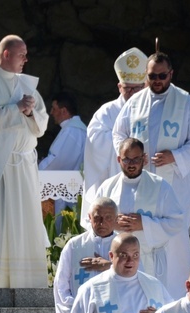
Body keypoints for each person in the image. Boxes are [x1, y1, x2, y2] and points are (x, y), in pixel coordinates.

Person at [113, 51, 190, 288]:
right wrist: (130, 158)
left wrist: (174, 156)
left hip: (173, 183)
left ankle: (173, 293)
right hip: (139, 183)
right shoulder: (135, 102)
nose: (156, 81)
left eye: (162, 76)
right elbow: (119, 133)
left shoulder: (185, 102)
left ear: (171, 74)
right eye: (152, 76)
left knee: (172, 238)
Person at [0, 34, 49, 289]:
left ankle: (29, 281)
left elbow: (42, 125)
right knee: (0, 222)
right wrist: (15, 108)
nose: (26, 59)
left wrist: (30, 112)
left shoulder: (26, 85)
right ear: (5, 54)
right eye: (21, 54)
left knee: (26, 223)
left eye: (26, 54)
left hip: (23, 165)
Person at [96, 137, 185, 296]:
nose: (131, 164)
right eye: (127, 160)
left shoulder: (160, 186)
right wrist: (112, 224)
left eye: (136, 159)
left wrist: (143, 224)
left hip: (149, 259)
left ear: (144, 159)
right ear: (119, 159)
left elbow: (177, 222)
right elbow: (92, 219)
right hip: (116, 261)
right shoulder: (107, 187)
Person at [82, 47, 148, 221]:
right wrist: (125, 145)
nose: (133, 94)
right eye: (128, 89)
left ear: (145, 86)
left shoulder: (152, 110)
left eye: (138, 88)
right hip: (114, 178)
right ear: (119, 87)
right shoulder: (106, 112)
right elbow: (94, 141)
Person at [53, 196, 117, 313]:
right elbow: (61, 283)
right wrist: (73, 311)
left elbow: (136, 276)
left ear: (116, 218)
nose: (102, 223)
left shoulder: (125, 245)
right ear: (89, 217)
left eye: (108, 217)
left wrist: (109, 267)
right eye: (97, 217)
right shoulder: (74, 245)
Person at [39, 91, 86, 171]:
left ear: (63, 111)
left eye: (54, 109)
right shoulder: (77, 128)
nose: (51, 112)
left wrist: (39, 166)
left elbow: (58, 161)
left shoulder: (71, 131)